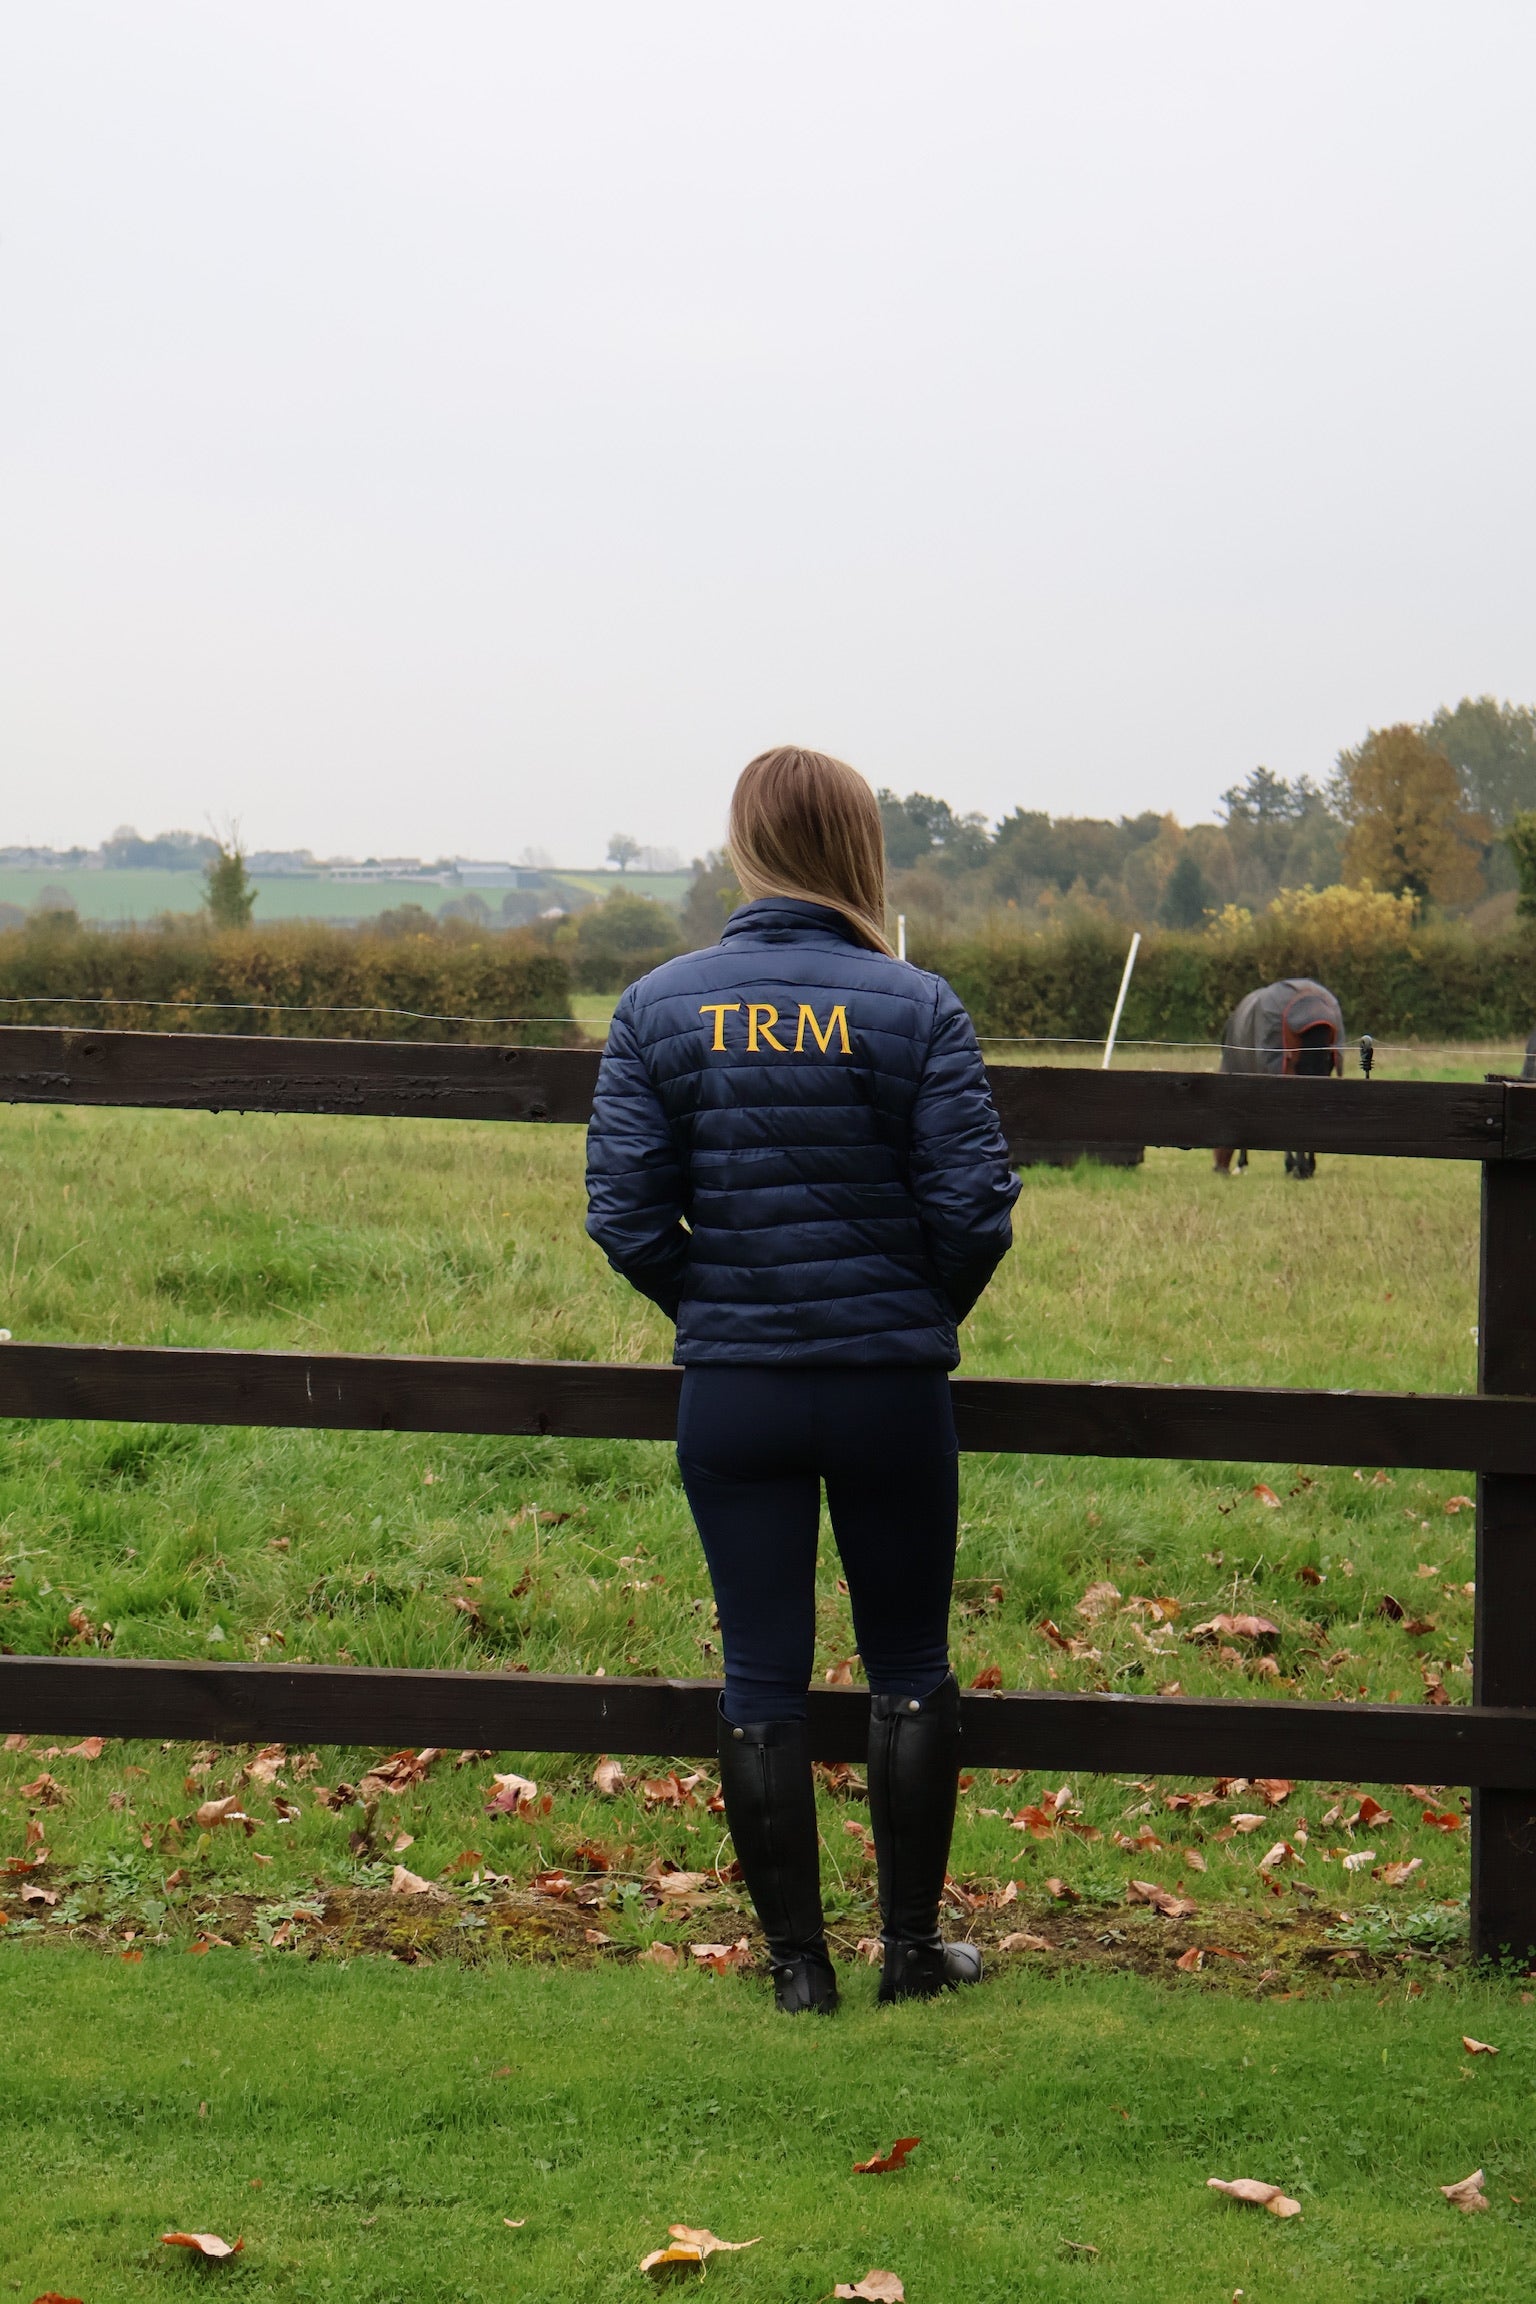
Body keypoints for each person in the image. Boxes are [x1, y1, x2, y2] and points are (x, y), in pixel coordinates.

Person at [585, 746, 1019, 2014]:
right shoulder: (916, 1005)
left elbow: (624, 1214)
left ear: (745, 845)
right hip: (889, 1386)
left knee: (761, 1671)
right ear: (857, 847)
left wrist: (720, 1309)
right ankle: (912, 1953)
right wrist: (912, 1314)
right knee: (910, 1659)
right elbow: (974, 1211)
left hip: (738, 1392)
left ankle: (796, 1970)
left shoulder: (658, 1006)